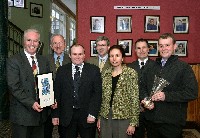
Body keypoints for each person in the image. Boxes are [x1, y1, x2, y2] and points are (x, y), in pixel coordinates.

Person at [140, 33, 198, 138]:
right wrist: (145, 99)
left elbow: (192, 93)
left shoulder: (184, 68)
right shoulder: (151, 67)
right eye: (161, 45)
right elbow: (142, 86)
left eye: (167, 45)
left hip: (172, 122)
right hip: (151, 120)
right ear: (158, 47)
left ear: (174, 46)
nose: (164, 48)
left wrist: (166, 96)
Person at [7, 28, 50, 138]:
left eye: (35, 41)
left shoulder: (43, 60)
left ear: (39, 43)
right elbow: (14, 87)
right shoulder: (14, 60)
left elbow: (46, 83)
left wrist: (50, 99)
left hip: (40, 115)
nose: (32, 44)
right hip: (22, 115)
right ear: (23, 41)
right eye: (29, 40)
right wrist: (31, 103)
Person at [52, 44, 102, 138]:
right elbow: (57, 93)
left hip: (87, 116)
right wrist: (55, 115)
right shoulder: (62, 70)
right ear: (70, 55)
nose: (77, 57)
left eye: (80, 54)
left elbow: (97, 94)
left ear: (84, 55)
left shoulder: (94, 70)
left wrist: (93, 114)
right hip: (66, 117)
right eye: (74, 54)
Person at [97, 45, 139, 138]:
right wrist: (99, 117)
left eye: (117, 55)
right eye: (111, 56)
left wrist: (133, 123)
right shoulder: (105, 73)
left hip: (123, 117)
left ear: (122, 58)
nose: (114, 58)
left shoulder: (130, 73)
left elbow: (135, 98)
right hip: (106, 116)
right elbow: (102, 97)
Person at [127, 38, 155, 138]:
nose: (141, 50)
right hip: (136, 110)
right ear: (135, 50)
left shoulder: (156, 66)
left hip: (153, 110)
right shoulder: (129, 67)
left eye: (144, 48)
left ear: (148, 49)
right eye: (138, 48)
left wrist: (149, 102)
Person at [44, 34, 70, 138]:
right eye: (55, 43)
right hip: (47, 106)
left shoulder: (72, 59)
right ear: (51, 46)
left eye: (60, 43)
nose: (58, 45)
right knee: (46, 133)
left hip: (66, 105)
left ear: (64, 45)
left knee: (65, 134)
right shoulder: (43, 60)